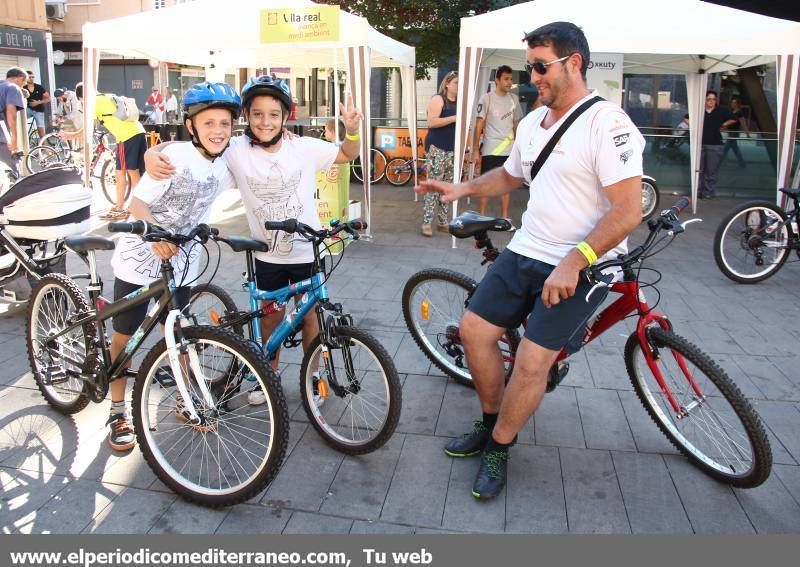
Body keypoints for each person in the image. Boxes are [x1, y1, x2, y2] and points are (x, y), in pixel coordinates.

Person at [416, 21, 643, 500]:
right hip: (528, 249)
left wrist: (574, 261)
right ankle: (491, 421)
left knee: (532, 361)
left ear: (573, 63)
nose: (533, 76)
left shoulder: (609, 124)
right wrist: (461, 189)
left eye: (541, 67)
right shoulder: (532, 123)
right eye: (530, 67)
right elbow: (511, 177)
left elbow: (628, 210)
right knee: (475, 333)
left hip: (585, 262)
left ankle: (500, 445)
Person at [144, 75, 363, 406]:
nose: (265, 121)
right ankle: (267, 376)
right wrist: (151, 154)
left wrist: (354, 129)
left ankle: (313, 376)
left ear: (286, 117)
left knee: (311, 319)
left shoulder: (303, 148)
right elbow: (191, 146)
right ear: (246, 115)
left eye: (273, 114)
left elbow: (347, 153)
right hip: (267, 256)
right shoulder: (235, 149)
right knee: (269, 319)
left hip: (306, 253)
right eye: (257, 114)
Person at [103, 82, 240, 451]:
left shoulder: (226, 160)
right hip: (140, 259)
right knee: (126, 334)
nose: (217, 130)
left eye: (225, 123)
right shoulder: (174, 157)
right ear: (191, 126)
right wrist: (154, 235)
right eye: (208, 122)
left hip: (182, 262)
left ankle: (185, 397)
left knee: (179, 332)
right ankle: (117, 408)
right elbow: (138, 204)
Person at [473, 65, 522, 221]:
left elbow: (516, 125)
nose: (509, 82)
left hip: (509, 149)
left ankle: (505, 219)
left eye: (511, 79)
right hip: (490, 149)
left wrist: (519, 149)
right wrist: (475, 150)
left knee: (506, 186)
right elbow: (479, 125)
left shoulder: (514, 99)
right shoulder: (486, 98)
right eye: (506, 79)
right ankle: (481, 218)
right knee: (486, 185)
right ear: (497, 80)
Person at [421, 71, 458, 237]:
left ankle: (443, 221)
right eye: (456, 83)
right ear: (448, 84)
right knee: (434, 186)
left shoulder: (460, 102)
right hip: (438, 149)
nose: (459, 86)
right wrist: (453, 119)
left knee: (448, 187)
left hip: (452, 150)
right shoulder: (438, 99)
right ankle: (426, 222)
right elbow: (431, 122)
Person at [699, 90, 737, 199]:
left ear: (716, 101)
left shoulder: (721, 110)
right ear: (705, 100)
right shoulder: (700, 110)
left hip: (715, 144)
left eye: (713, 99)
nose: (711, 101)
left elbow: (734, 118)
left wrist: (724, 124)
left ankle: (708, 193)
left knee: (711, 171)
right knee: (699, 170)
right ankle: (698, 192)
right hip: (700, 144)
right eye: (708, 99)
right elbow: (686, 117)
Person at [0, 67, 27, 177]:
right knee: (13, 171)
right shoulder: (13, 88)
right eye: (23, 83)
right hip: (2, 133)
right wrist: (14, 138)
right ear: (19, 79)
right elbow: (11, 113)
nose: (22, 87)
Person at [722, 97, 750, 168]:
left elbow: (743, 124)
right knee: (735, 148)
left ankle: (719, 163)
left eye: (734, 102)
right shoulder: (732, 112)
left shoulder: (739, 112)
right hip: (730, 132)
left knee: (725, 148)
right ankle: (742, 164)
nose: (732, 104)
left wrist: (747, 134)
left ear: (737, 104)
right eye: (732, 102)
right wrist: (724, 127)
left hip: (734, 133)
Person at [24, 70, 50, 141]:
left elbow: (48, 98)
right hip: (28, 109)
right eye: (30, 77)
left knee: (41, 131)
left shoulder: (39, 87)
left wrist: (38, 102)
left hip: (39, 110)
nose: (31, 78)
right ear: (26, 78)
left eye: (33, 77)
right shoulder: (24, 88)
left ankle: (44, 147)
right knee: (19, 121)